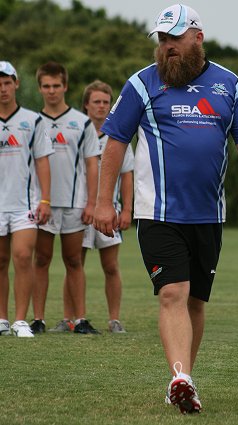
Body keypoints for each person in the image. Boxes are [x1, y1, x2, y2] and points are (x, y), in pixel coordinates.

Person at [93, 4, 238, 415]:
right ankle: (180, 378)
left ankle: (183, 377)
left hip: (209, 215)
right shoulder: (141, 84)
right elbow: (115, 141)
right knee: (173, 293)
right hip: (158, 214)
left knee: (196, 303)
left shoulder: (230, 84)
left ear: (197, 38)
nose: (167, 47)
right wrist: (104, 201)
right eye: (162, 40)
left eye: (174, 39)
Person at [52, 80, 134, 333]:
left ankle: (114, 320)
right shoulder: (77, 133)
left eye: (105, 102)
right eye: (96, 102)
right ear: (86, 105)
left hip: (111, 211)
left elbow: (127, 174)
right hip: (82, 211)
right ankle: (71, 318)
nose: (101, 107)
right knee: (74, 262)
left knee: (111, 266)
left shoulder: (118, 136)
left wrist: (128, 210)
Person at [30, 62, 100, 335]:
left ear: (65, 86)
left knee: (74, 261)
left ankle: (79, 320)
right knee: (42, 260)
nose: (51, 91)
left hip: (75, 203)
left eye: (56, 85)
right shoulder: (34, 121)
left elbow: (92, 164)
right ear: (40, 88)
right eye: (46, 86)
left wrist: (92, 203)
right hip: (43, 204)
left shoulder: (82, 122)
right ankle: (38, 319)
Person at [0, 61, 53, 338]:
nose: (3, 88)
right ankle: (2, 319)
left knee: (23, 257)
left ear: (16, 84)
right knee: (0, 260)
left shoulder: (33, 120)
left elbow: (43, 162)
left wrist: (45, 201)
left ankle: (21, 320)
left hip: (25, 205)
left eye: (7, 82)